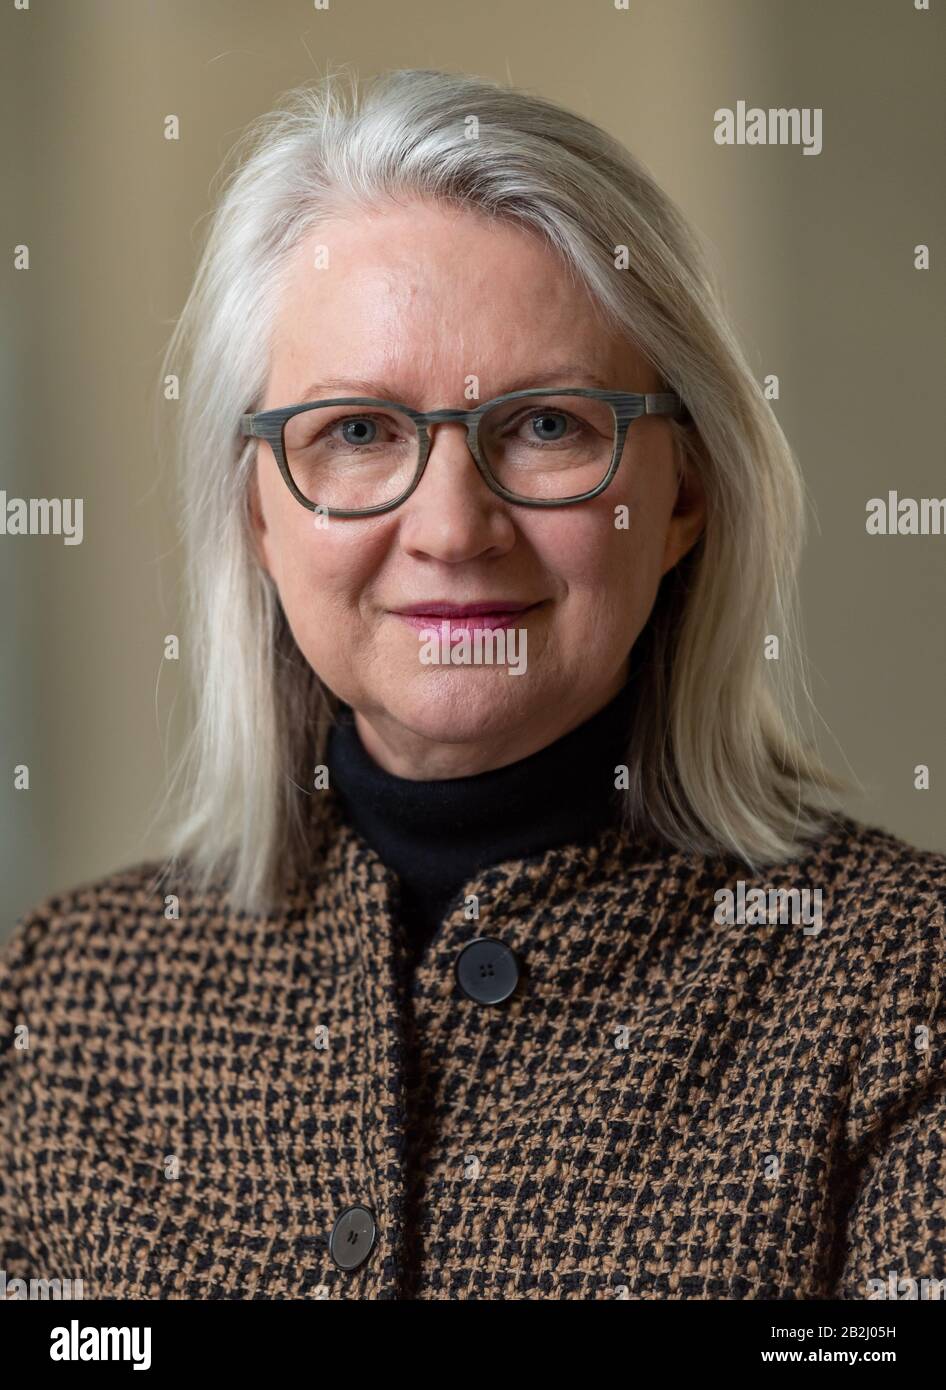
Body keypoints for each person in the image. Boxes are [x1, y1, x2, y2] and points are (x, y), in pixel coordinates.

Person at [2, 67, 943, 1301]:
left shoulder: (900, 984)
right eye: (355, 431)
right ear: (255, 513)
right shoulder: (63, 1007)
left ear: (683, 499)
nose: (452, 526)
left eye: (547, 425)